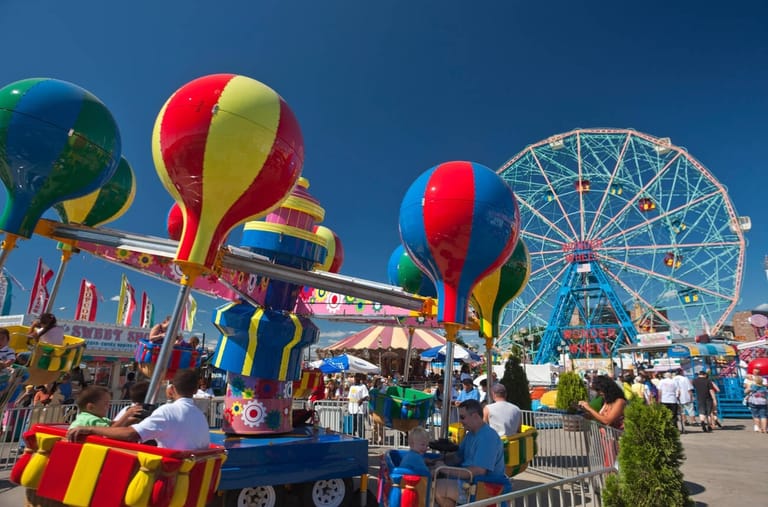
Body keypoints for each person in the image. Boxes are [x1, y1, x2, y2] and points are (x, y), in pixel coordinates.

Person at [67, 369, 210, 450]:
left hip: (169, 472)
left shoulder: (167, 411)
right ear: (195, 390)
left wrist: (91, 430)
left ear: (171, 390)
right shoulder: (201, 416)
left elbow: (131, 434)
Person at [434, 399, 505, 507]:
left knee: (438, 487)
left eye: (463, 417)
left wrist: (443, 469)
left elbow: (478, 471)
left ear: (475, 416)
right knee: (434, 480)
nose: (460, 421)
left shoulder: (487, 437)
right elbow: (458, 457)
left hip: (486, 487)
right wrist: (435, 462)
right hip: (472, 483)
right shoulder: (470, 434)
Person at [347, 373, 369, 438]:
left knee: (360, 425)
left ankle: (362, 439)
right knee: (353, 425)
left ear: (360, 379)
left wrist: (361, 400)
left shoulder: (363, 386)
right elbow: (349, 397)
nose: (356, 379)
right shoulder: (352, 387)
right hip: (352, 408)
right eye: (355, 377)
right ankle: (353, 438)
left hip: (360, 409)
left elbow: (367, 396)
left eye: (358, 377)